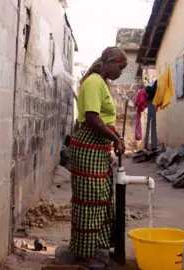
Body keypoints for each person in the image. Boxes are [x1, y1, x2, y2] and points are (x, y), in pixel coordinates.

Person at [69, 46, 128, 269]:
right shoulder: (93, 82)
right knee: (89, 201)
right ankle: (86, 254)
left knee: (102, 198)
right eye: (120, 67)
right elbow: (93, 119)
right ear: (109, 62)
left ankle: (96, 247)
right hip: (88, 146)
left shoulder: (103, 83)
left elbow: (104, 118)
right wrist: (114, 137)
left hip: (98, 148)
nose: (121, 72)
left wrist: (115, 137)